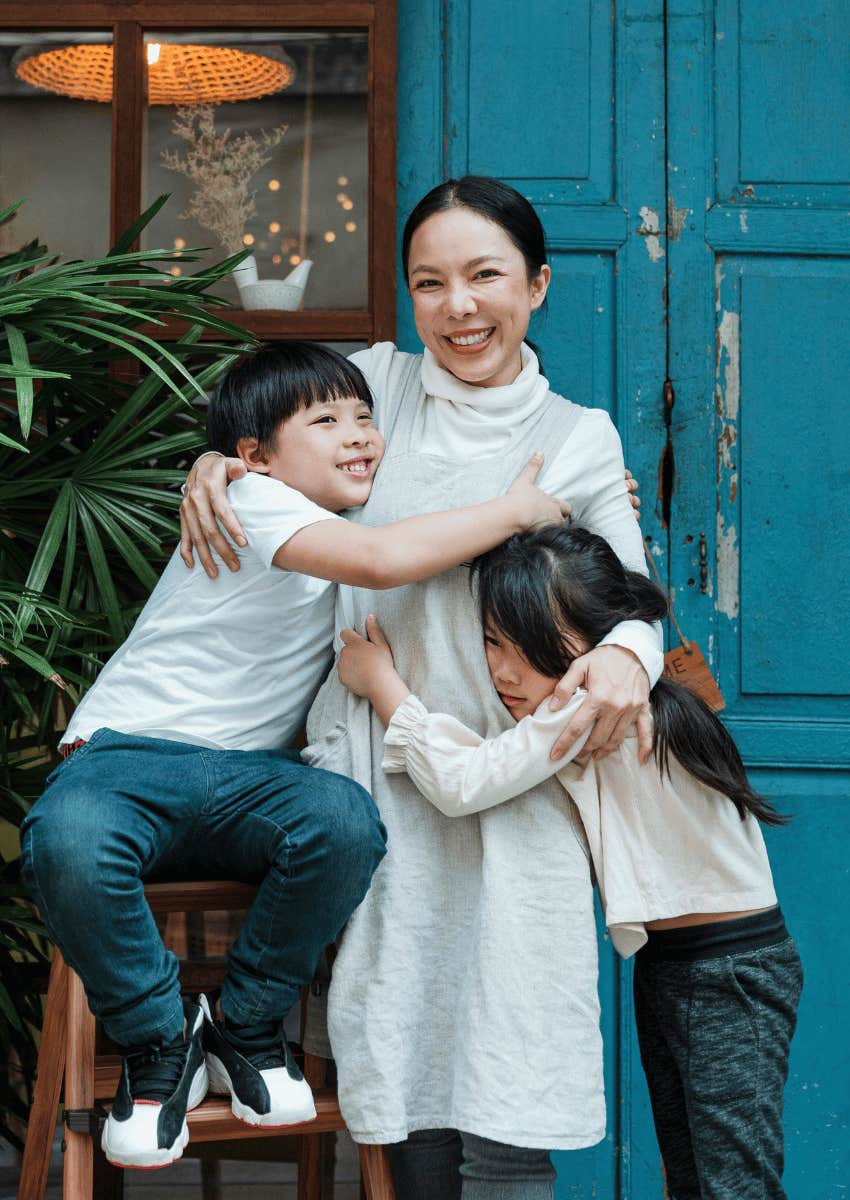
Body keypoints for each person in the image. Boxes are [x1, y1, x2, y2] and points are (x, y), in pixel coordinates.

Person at [180, 177, 664, 1199]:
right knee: (402, 1084)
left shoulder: (578, 435)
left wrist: (628, 655)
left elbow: (636, 601)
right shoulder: (376, 385)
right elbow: (266, 439)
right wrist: (214, 466)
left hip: (511, 790)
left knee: (509, 1086)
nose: (459, 307)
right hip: (379, 781)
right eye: (430, 283)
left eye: (486, 276)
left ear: (537, 284)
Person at [20, 340, 568, 1172]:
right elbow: (384, 561)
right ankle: (160, 1041)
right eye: (326, 421)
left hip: (255, 777)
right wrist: (520, 509)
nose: (359, 435)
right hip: (130, 756)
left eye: (364, 417)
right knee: (67, 839)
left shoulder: (344, 519)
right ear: (257, 457)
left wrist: (585, 495)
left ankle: (244, 1026)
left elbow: (407, 533)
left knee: (344, 823)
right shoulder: (258, 500)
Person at [337, 523, 803, 1200]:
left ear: (598, 641)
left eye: (530, 648)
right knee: (699, 1178)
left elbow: (464, 780)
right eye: (492, 641)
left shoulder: (587, 706)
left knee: (733, 1184)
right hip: (682, 963)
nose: (504, 671)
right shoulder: (605, 698)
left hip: (726, 969)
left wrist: (382, 683)